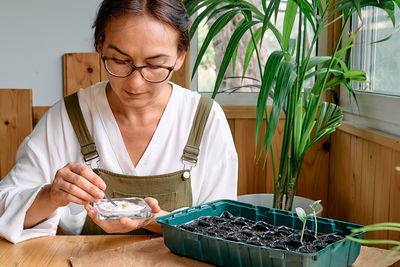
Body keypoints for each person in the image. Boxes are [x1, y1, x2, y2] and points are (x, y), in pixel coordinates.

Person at [0, 0, 238, 243]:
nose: (136, 83)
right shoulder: (68, 117)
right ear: (100, 47)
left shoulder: (205, 119)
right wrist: (50, 195)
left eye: (154, 64)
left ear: (179, 56)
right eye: (120, 60)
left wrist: (151, 220)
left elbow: (221, 231)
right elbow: (3, 205)